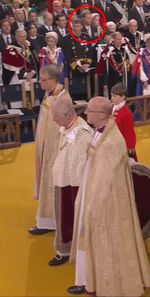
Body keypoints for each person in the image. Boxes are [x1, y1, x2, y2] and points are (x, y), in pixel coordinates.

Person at [67, 97, 150, 296]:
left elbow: (103, 180)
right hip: (98, 195)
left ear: (102, 115)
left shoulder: (111, 143)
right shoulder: (103, 132)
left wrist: (89, 207)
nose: (86, 114)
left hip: (107, 203)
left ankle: (113, 284)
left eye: (90, 111)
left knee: (109, 245)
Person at [28, 65, 73, 235]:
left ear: (53, 81)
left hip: (53, 151)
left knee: (51, 184)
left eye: (42, 79)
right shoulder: (51, 94)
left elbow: (61, 127)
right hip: (45, 148)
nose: (39, 81)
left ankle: (49, 223)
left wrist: (49, 151)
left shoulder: (62, 99)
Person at [49, 98, 93, 266]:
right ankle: (65, 250)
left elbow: (81, 166)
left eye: (56, 116)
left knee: (73, 220)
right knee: (64, 219)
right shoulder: (68, 125)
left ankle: (76, 254)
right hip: (64, 183)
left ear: (67, 114)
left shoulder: (81, 133)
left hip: (74, 187)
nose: (53, 118)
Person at [96, 32, 136, 97]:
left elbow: (128, 63)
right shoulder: (108, 51)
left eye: (120, 39)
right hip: (112, 78)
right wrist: (104, 82)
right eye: (118, 39)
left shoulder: (124, 50)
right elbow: (102, 67)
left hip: (123, 77)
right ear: (113, 39)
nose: (120, 41)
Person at [111, 83, 138, 161]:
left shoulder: (126, 113)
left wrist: (130, 147)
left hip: (122, 146)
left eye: (114, 96)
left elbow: (129, 132)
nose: (111, 98)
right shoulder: (112, 107)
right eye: (111, 95)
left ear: (122, 97)